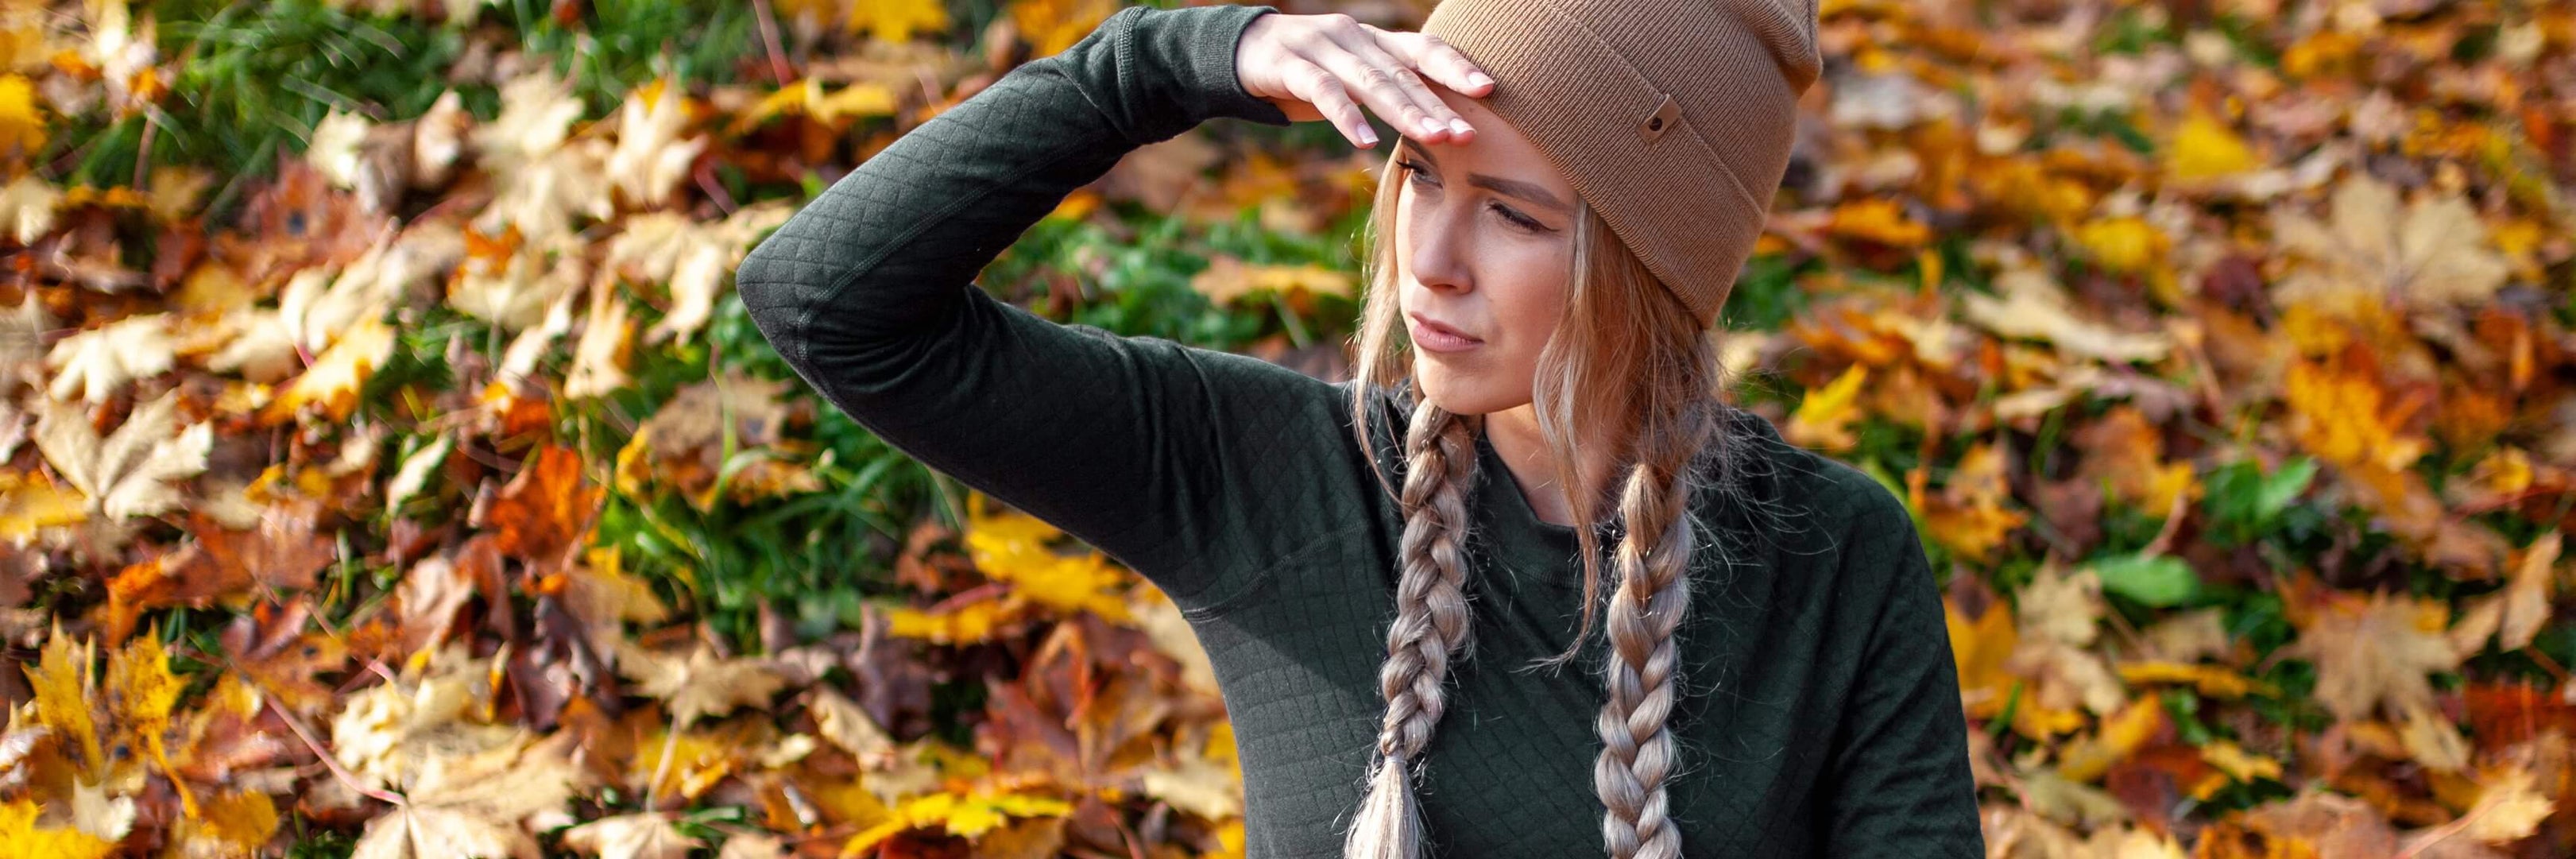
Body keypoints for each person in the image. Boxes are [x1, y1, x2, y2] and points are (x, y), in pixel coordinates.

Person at [734, 1, 1985, 857]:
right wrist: (1166, 62)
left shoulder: (1834, 560)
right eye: (1415, 176)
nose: (1432, 259)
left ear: (1659, 266)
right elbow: (826, 302)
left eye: (1512, 212)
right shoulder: (1270, 474)